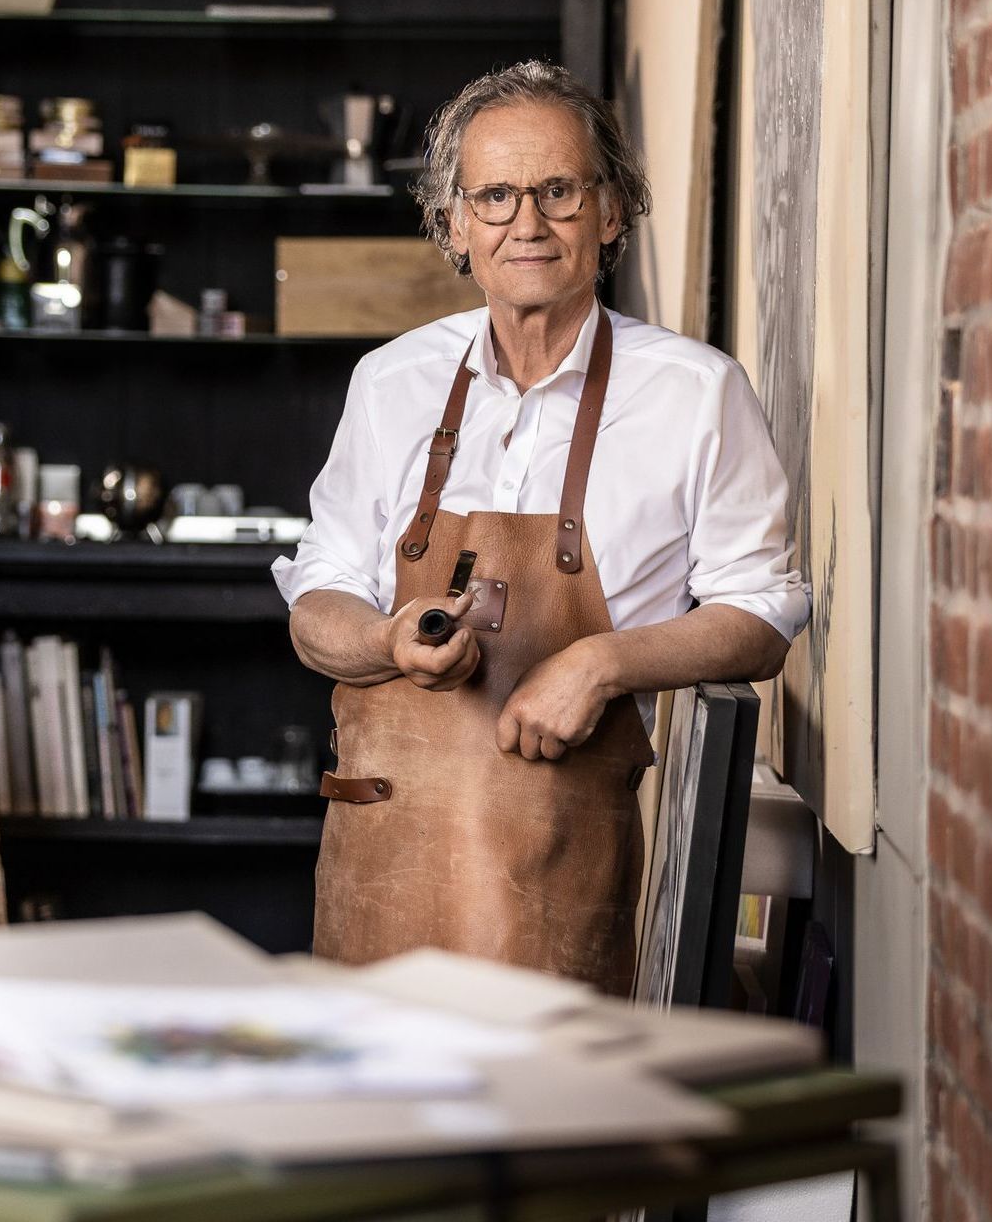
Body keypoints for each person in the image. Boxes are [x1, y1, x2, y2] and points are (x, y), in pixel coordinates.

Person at [271, 61, 808, 995]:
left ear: (609, 213)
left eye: (557, 190)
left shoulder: (695, 394)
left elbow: (762, 615)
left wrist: (598, 664)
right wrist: (385, 639)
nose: (527, 222)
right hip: (378, 866)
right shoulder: (390, 381)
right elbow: (317, 599)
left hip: (557, 874)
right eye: (495, 196)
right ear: (454, 225)